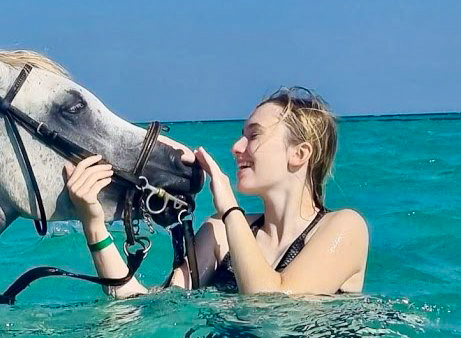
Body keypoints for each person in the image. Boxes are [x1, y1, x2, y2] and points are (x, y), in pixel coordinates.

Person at [64, 87, 369, 297]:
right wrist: (93, 224)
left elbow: (275, 310)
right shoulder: (219, 232)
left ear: (299, 154)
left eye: (254, 136)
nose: (237, 147)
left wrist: (231, 210)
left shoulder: (344, 228)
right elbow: (141, 307)